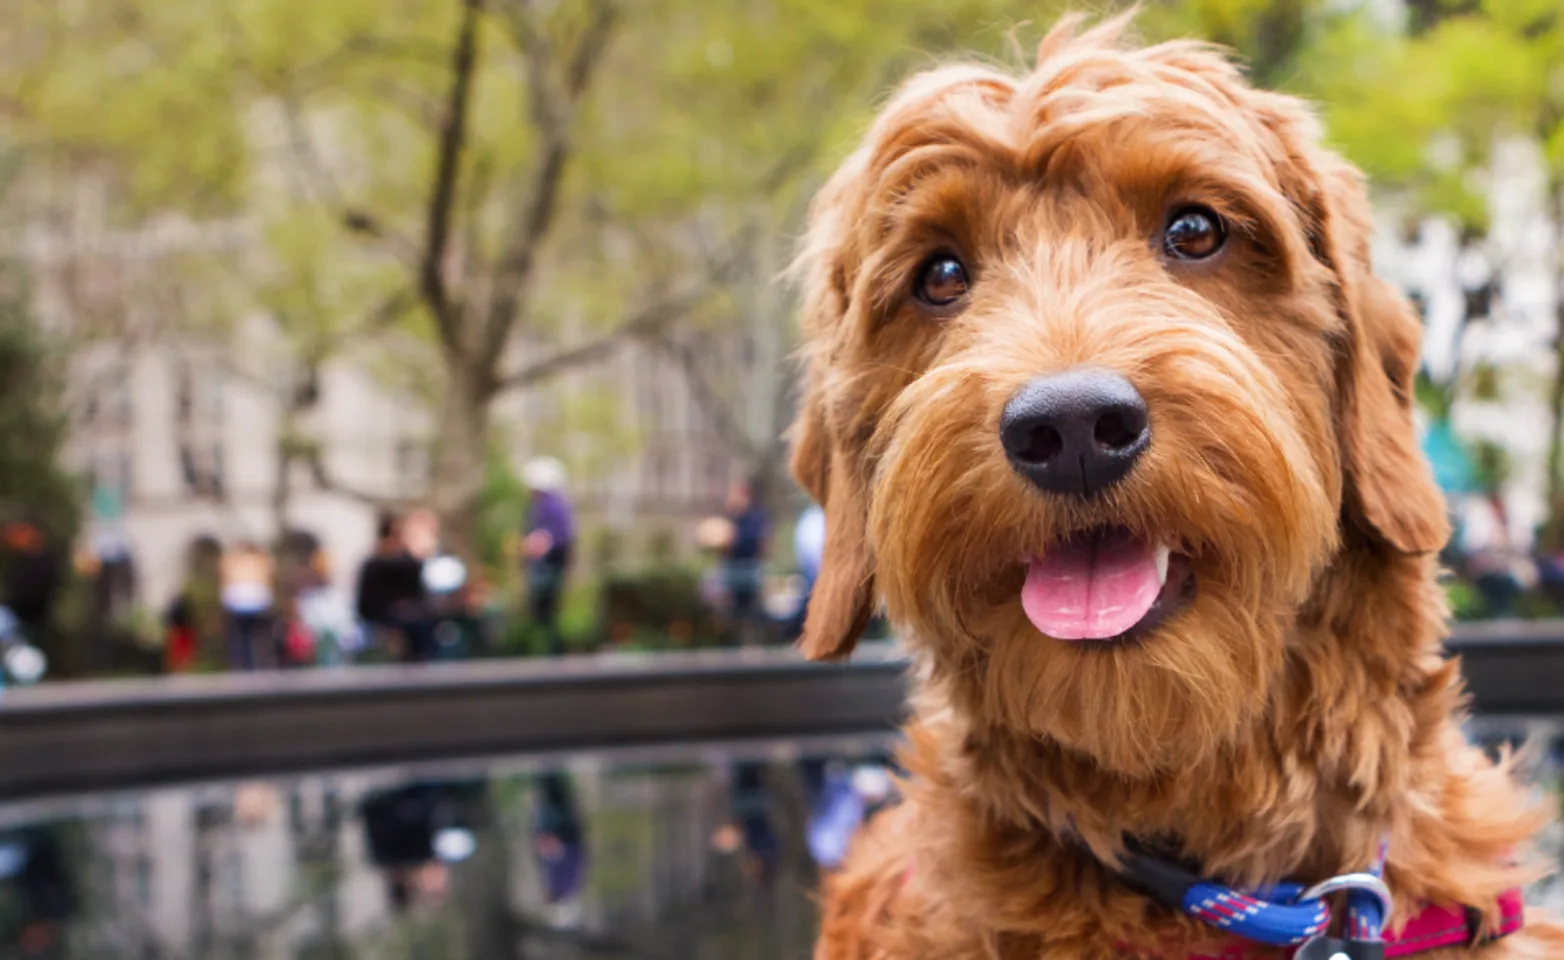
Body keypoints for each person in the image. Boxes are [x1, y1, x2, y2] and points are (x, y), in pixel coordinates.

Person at [522, 458, 576, 656]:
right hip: (545, 566)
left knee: (546, 613)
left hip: (547, 566)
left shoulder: (551, 505)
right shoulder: (546, 505)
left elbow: (558, 537)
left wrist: (542, 542)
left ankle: (551, 651)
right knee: (544, 613)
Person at [719, 476, 771, 647]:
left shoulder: (756, 516)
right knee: (732, 610)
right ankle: (731, 643)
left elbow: (756, 541)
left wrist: (734, 537)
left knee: (752, 610)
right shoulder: (729, 516)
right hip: (732, 570)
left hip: (749, 568)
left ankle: (753, 643)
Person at [220, 540, 275, 670]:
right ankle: (252, 666)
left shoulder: (237, 560)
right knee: (247, 640)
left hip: (248, 603)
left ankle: (249, 666)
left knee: (246, 639)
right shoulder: (256, 560)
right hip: (248, 603)